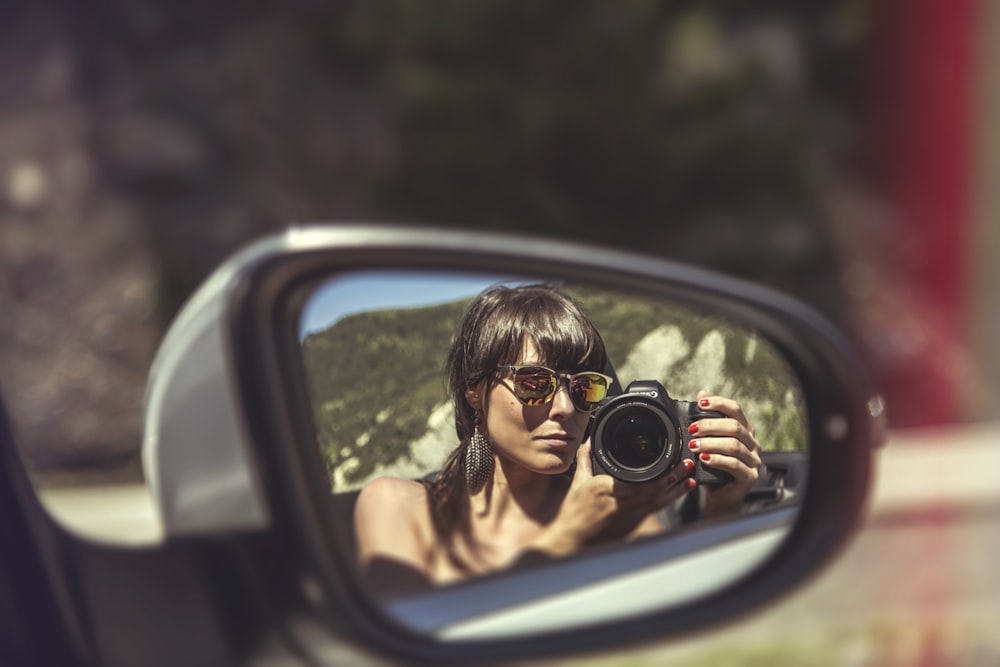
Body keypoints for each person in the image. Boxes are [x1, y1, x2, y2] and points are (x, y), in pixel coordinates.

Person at [354, 284, 762, 596]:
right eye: (534, 382)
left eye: (586, 388)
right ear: (474, 391)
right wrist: (571, 537)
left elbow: (681, 613)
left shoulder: (615, 506)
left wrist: (722, 508)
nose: (566, 407)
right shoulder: (397, 506)